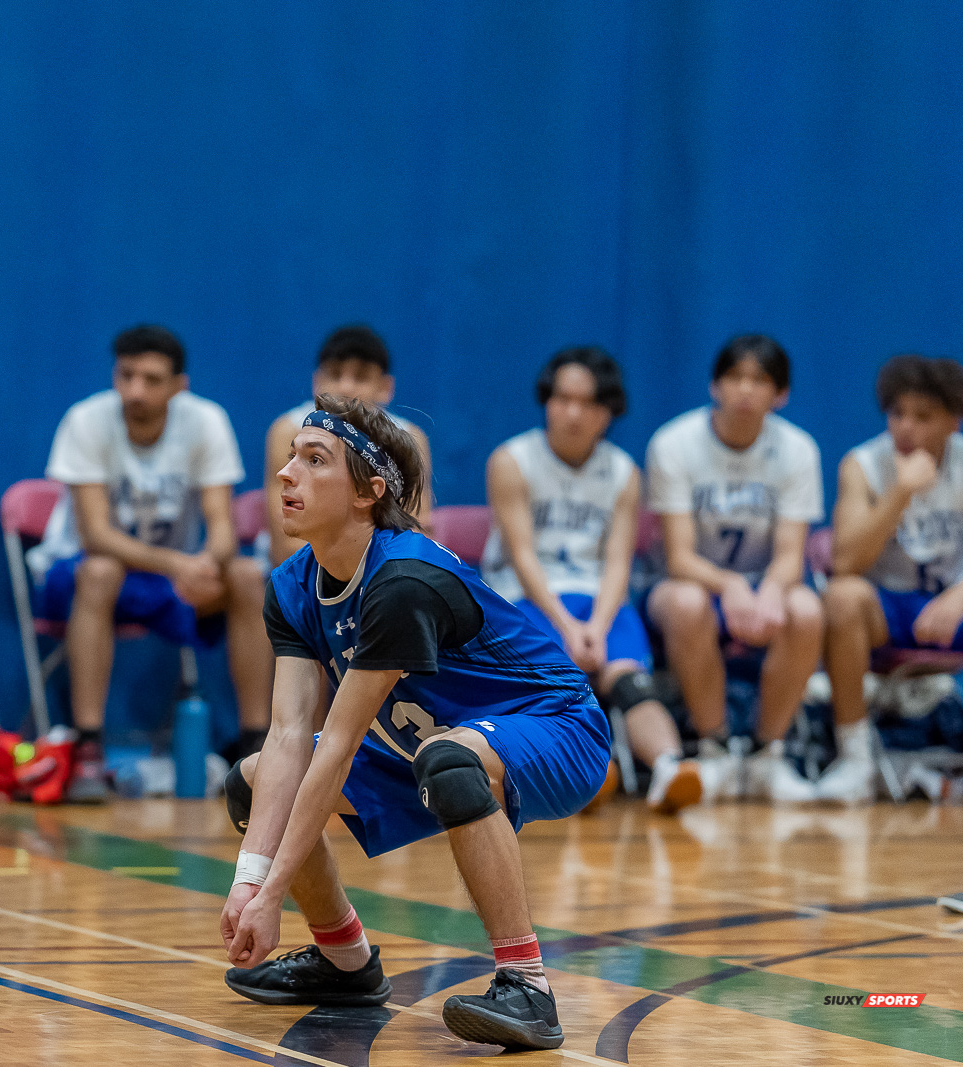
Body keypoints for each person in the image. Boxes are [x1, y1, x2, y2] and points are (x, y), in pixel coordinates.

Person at [219, 393, 610, 1052]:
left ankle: (527, 985)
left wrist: (270, 892)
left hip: (556, 726)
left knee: (449, 762)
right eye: (289, 456)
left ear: (368, 492)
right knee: (256, 779)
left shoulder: (402, 577)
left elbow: (336, 746)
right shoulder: (290, 584)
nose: (287, 473)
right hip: (419, 745)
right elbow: (289, 736)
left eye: (314, 459)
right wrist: (249, 881)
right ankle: (345, 960)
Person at [27, 324, 271, 803]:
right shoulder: (87, 420)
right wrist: (178, 566)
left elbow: (222, 525)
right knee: (101, 571)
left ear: (179, 386)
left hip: (168, 578)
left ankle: (255, 748)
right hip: (75, 574)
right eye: (126, 376)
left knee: (244, 575)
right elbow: (96, 534)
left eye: (151, 379)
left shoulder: (206, 422)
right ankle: (90, 746)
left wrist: (205, 563)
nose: (135, 390)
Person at [484, 347, 700, 813]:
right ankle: (581, 769)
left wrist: (598, 627)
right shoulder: (512, 460)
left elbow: (618, 562)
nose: (571, 413)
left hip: (598, 600)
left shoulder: (623, 472)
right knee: (558, 676)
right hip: (527, 597)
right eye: (562, 399)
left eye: (586, 403)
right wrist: (566, 627)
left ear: (608, 412)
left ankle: (667, 768)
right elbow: (522, 555)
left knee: (627, 677)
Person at [644, 334, 823, 803]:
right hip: (688, 585)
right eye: (735, 377)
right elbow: (679, 557)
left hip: (763, 586)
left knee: (806, 610)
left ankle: (768, 755)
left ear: (780, 394)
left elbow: (791, 554)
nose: (746, 389)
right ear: (714, 386)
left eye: (760, 380)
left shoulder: (798, 449)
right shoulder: (674, 443)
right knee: (686, 602)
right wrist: (732, 586)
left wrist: (768, 592)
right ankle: (715, 747)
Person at [820, 355, 963, 803]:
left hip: (952, 600)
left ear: (952, 422)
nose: (905, 427)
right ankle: (855, 756)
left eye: (923, 416)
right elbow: (845, 561)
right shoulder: (862, 464)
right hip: (889, 607)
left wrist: (959, 597)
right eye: (897, 414)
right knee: (842, 596)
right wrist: (900, 492)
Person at [264, 325, 432, 568]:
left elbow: (414, 534)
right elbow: (284, 545)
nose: (345, 388)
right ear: (316, 382)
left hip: (383, 573)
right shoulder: (288, 431)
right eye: (334, 374)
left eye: (361, 376)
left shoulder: (410, 438)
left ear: (386, 387)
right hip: (302, 568)